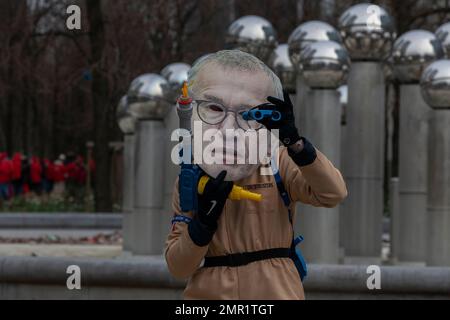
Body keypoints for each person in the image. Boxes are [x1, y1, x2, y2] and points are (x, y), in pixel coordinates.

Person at [165, 50, 347, 300]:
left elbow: (333, 193)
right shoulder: (191, 180)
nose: (229, 130)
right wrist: (202, 226)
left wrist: (295, 144)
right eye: (215, 108)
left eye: (247, 115)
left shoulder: (278, 162)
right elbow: (179, 267)